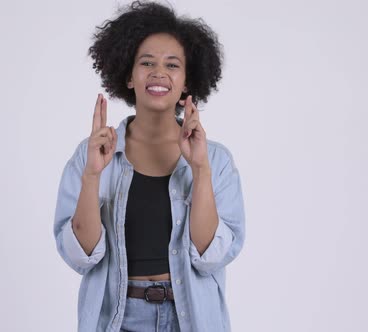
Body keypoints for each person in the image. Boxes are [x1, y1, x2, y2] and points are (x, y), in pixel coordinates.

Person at [53, 1, 245, 331]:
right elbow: (80, 255)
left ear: (186, 81)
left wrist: (200, 170)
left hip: (190, 320)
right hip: (119, 318)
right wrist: (92, 175)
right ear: (128, 75)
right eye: (146, 62)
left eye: (172, 65)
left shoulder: (215, 160)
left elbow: (211, 255)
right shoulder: (95, 155)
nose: (158, 72)